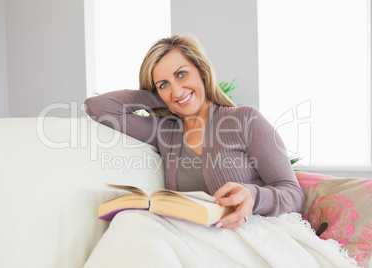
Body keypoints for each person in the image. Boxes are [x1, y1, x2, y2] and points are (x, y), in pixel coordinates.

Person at [84, 34, 305, 231]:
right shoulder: (165, 132)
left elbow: (294, 195)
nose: (177, 90)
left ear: (201, 70)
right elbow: (98, 107)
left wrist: (254, 196)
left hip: (252, 233)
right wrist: (162, 95)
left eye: (181, 74)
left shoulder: (245, 119)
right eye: (163, 84)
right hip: (197, 240)